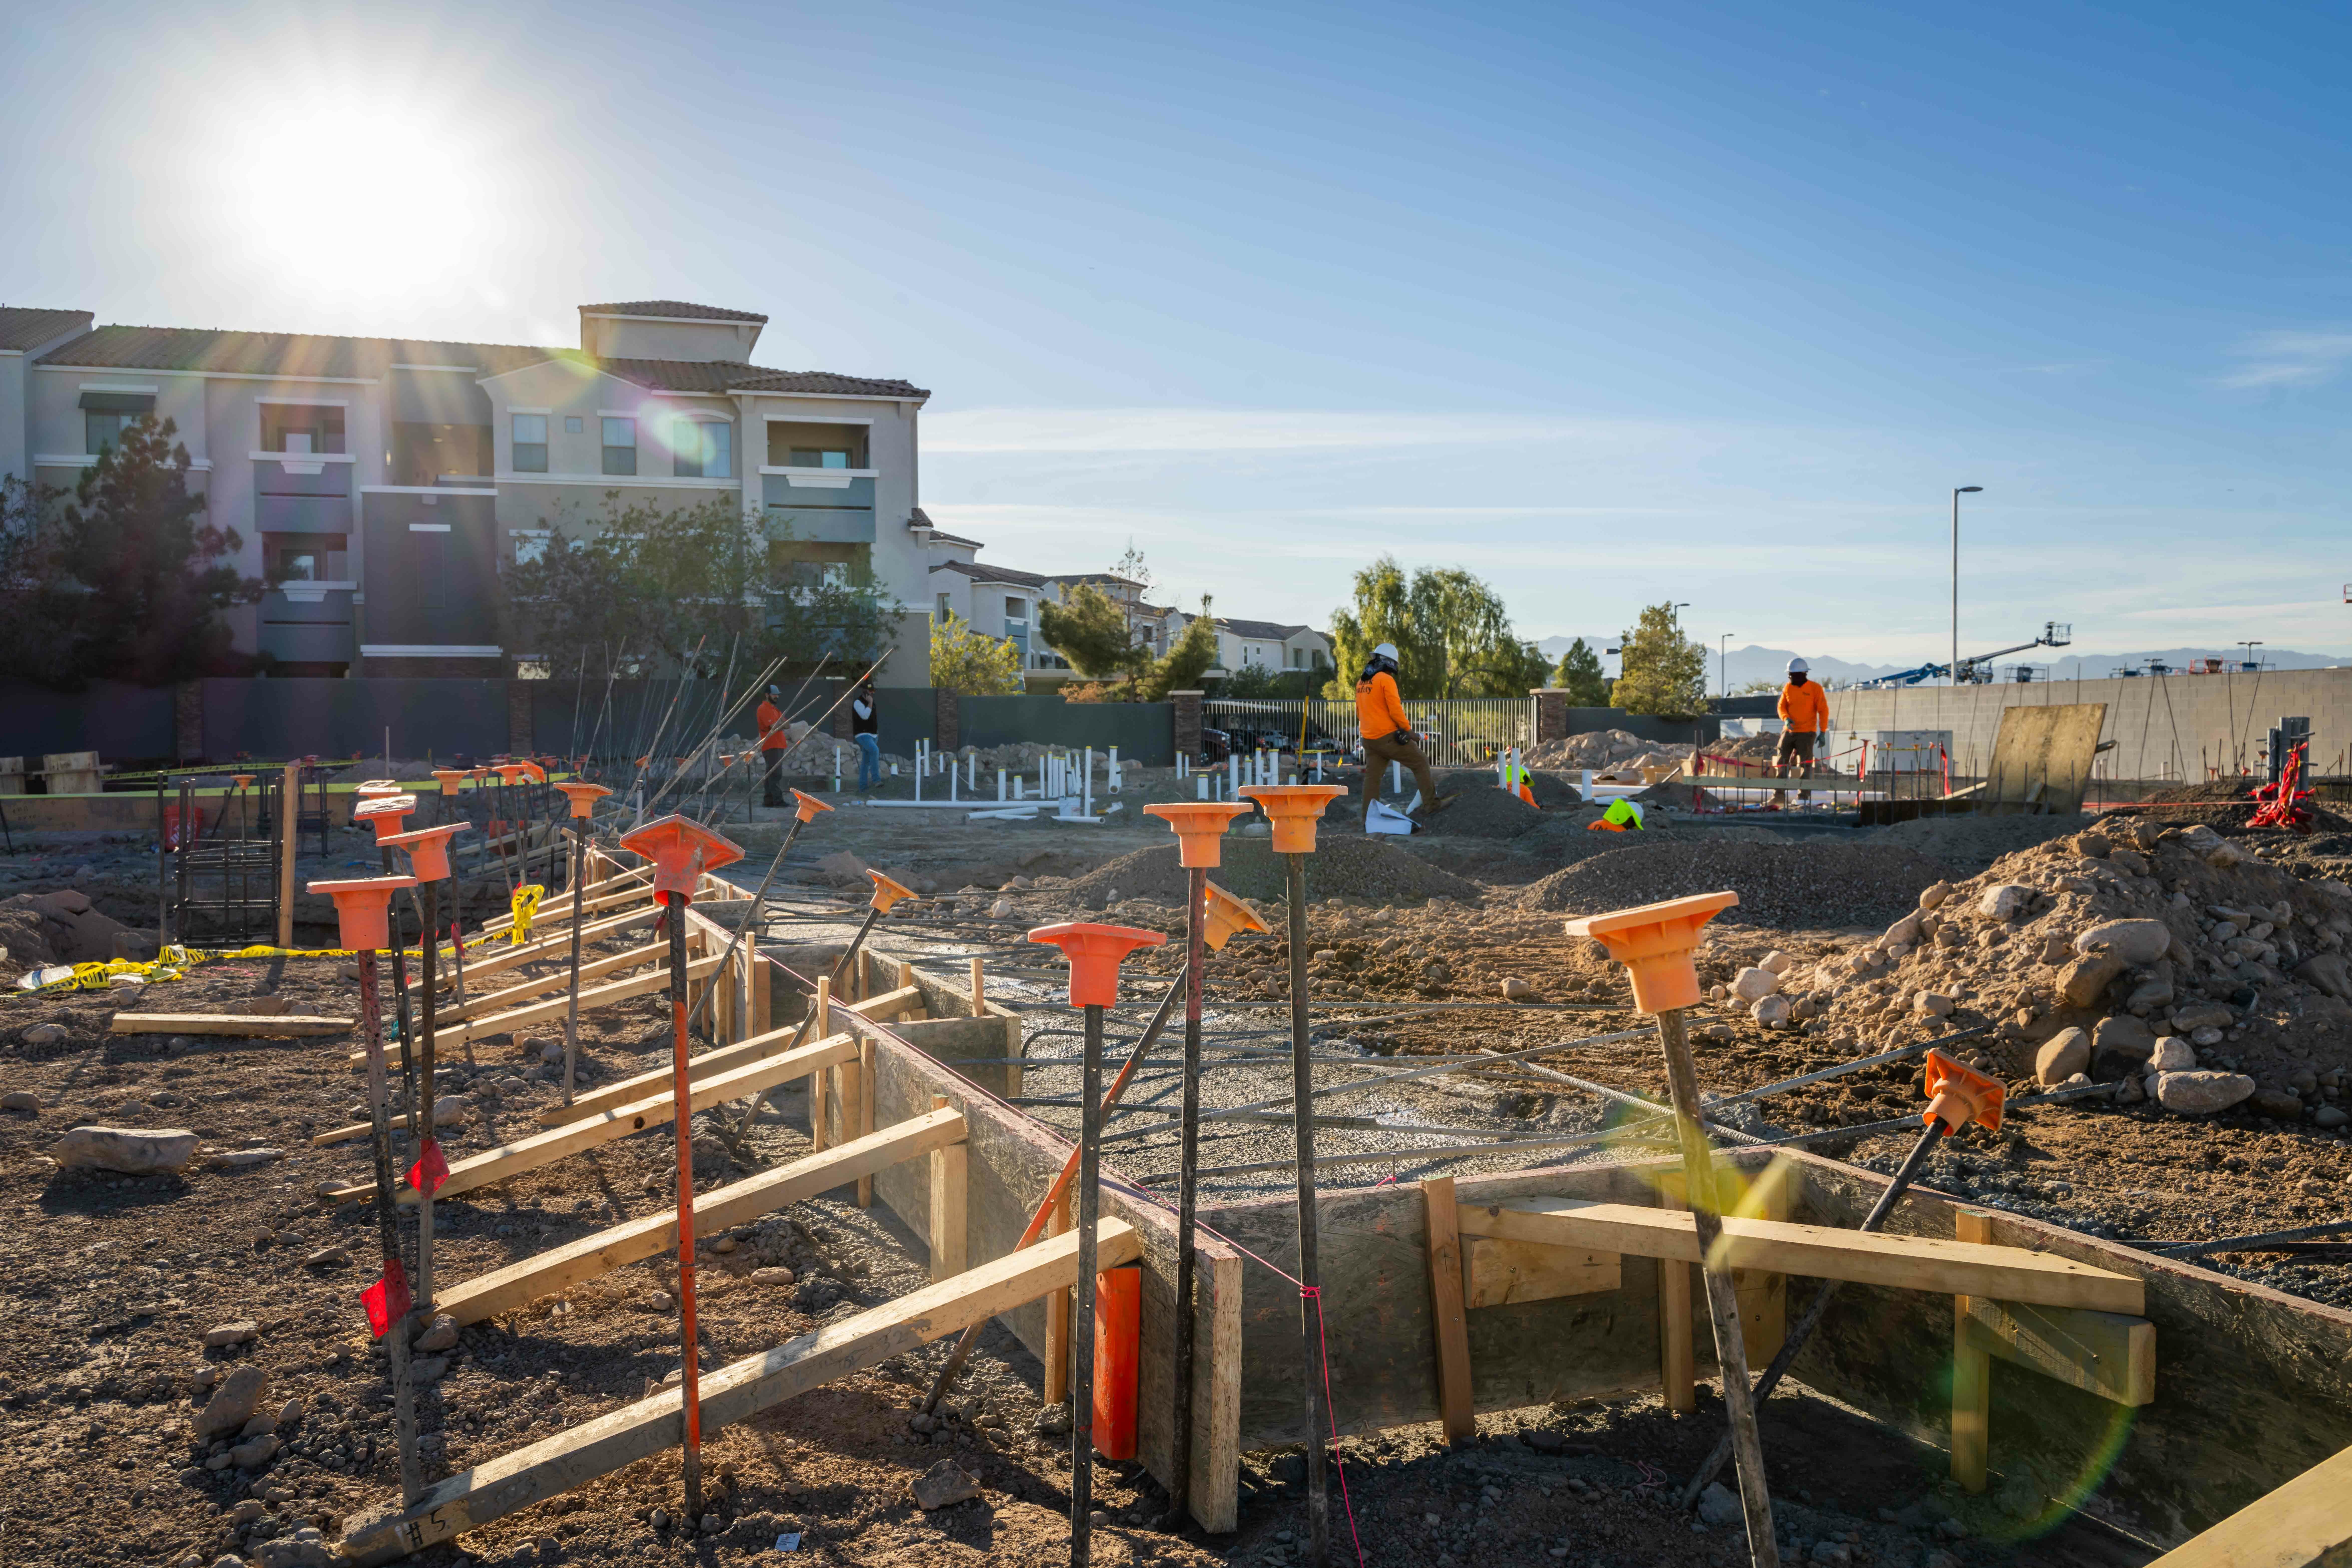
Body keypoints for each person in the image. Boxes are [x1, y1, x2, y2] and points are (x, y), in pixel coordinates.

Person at [1355, 642, 1440, 828]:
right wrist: (1408, 731)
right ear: (1389, 663)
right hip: (1388, 737)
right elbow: (1395, 709)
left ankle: (1367, 819)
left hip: (1369, 739)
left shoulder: (1362, 682)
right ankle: (1432, 805)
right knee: (1420, 762)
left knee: (1373, 778)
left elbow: (1359, 711)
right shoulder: (1386, 680)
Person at [1774, 656, 1831, 804]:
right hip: (1789, 731)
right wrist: (1786, 718)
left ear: (1803, 674)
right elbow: (1781, 707)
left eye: (1792, 675)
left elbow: (1823, 711)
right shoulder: (1788, 688)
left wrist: (1823, 732)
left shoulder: (1815, 689)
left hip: (1807, 733)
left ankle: (1804, 797)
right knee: (1782, 760)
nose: (1790, 677)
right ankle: (1779, 795)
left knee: (1806, 764)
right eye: (1789, 675)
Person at [755, 684, 790, 807]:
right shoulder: (763, 709)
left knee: (772, 773)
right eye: (774, 694)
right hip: (771, 745)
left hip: (779, 744)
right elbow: (773, 727)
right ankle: (777, 801)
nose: (776, 697)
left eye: (777, 695)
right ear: (767, 695)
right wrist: (780, 724)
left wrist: (779, 723)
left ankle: (769, 801)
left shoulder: (776, 710)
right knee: (775, 773)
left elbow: (788, 725)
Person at [850, 681, 882, 794]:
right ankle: (877, 780)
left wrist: (877, 733)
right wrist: (870, 703)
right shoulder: (858, 703)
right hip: (863, 735)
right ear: (865, 692)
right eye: (871, 691)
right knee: (875, 750)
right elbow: (865, 716)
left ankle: (863, 787)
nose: (873, 693)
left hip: (873, 735)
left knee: (865, 762)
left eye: (873, 691)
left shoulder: (872, 703)